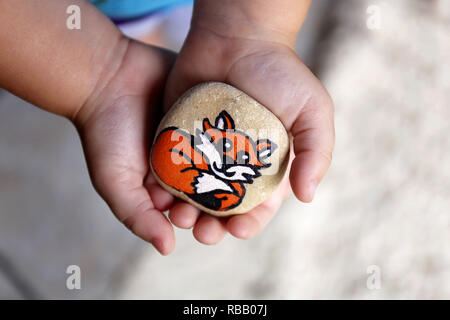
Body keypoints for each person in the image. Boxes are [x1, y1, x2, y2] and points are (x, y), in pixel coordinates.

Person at [0, 0, 335, 255]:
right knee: (138, 28)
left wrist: (248, 27)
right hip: (59, 20)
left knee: (181, 26)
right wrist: (99, 74)